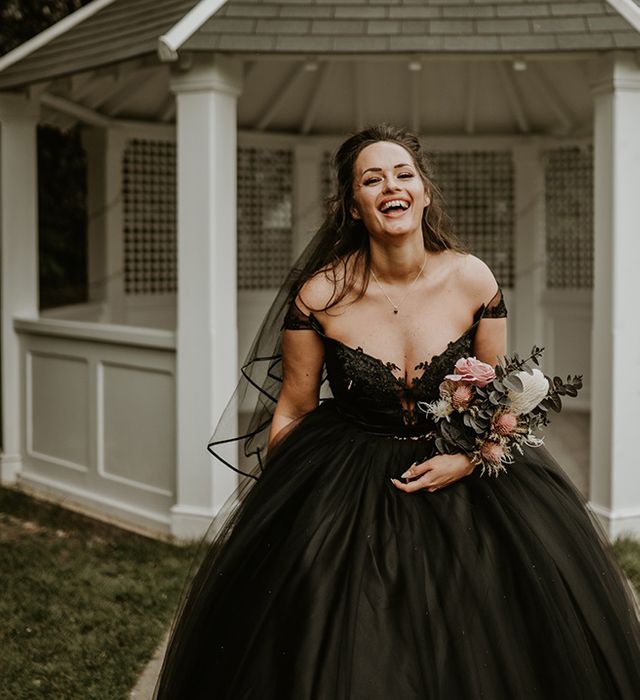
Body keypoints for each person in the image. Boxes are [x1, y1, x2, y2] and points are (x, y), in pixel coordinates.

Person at [154, 124, 640, 699]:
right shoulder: (320, 296)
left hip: (463, 481)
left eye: (404, 174)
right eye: (372, 178)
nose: (392, 185)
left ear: (424, 192)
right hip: (349, 475)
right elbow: (293, 407)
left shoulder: (472, 279)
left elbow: (505, 396)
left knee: (485, 621)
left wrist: (465, 459)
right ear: (355, 206)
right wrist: (294, 499)